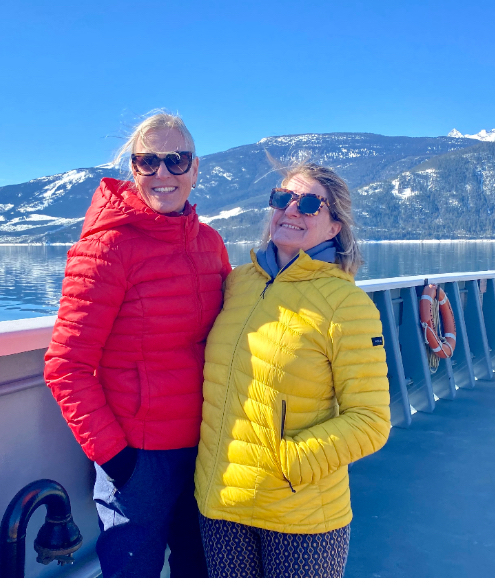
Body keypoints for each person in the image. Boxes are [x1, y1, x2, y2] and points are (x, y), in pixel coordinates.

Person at [45, 112, 231, 577]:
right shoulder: (107, 247)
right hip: (139, 458)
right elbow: (66, 366)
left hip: (206, 448)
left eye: (176, 160)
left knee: (201, 569)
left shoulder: (210, 243)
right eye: (148, 162)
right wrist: (115, 458)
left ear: (195, 169)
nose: (163, 173)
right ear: (134, 169)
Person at [194, 162, 391, 578]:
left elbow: (371, 421)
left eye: (309, 204)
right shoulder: (239, 283)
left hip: (299, 514)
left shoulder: (346, 305)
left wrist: (288, 463)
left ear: (335, 227)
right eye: (282, 198)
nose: (291, 211)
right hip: (221, 503)